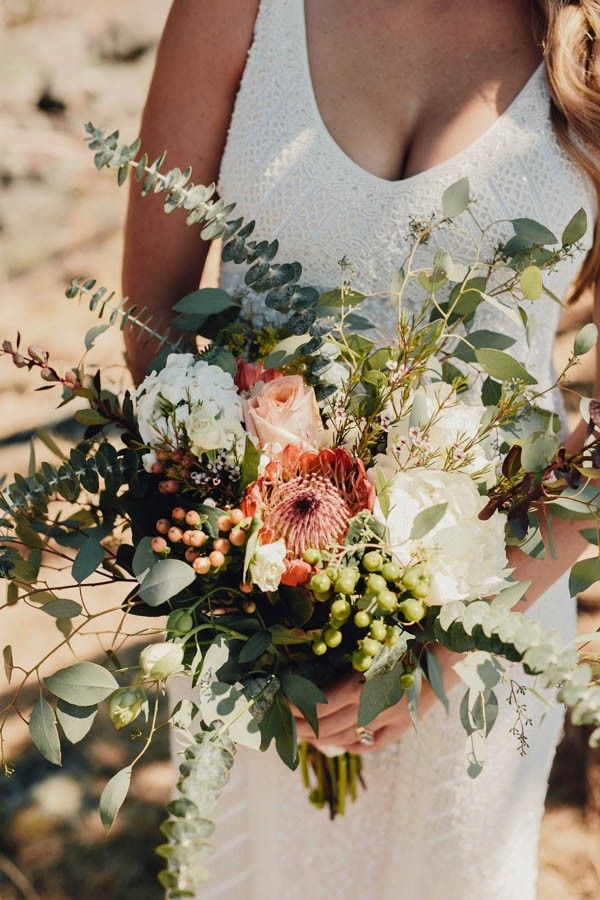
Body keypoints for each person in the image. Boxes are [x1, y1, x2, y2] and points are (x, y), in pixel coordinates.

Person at [122, 2, 599, 897]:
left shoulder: (591, 50)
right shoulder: (240, 11)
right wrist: (270, 603)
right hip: (255, 625)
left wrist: (447, 645)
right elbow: (154, 325)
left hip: (495, 625)